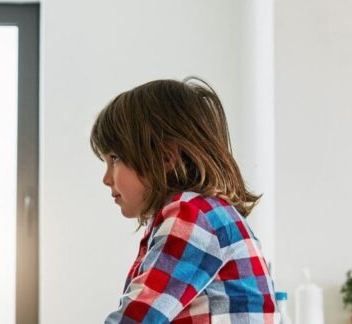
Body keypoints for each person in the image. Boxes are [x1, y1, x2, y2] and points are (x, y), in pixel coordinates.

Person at [92, 78, 280, 323]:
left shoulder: (192, 216)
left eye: (115, 158)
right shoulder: (204, 213)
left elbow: (138, 317)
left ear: (166, 157)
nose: (106, 178)